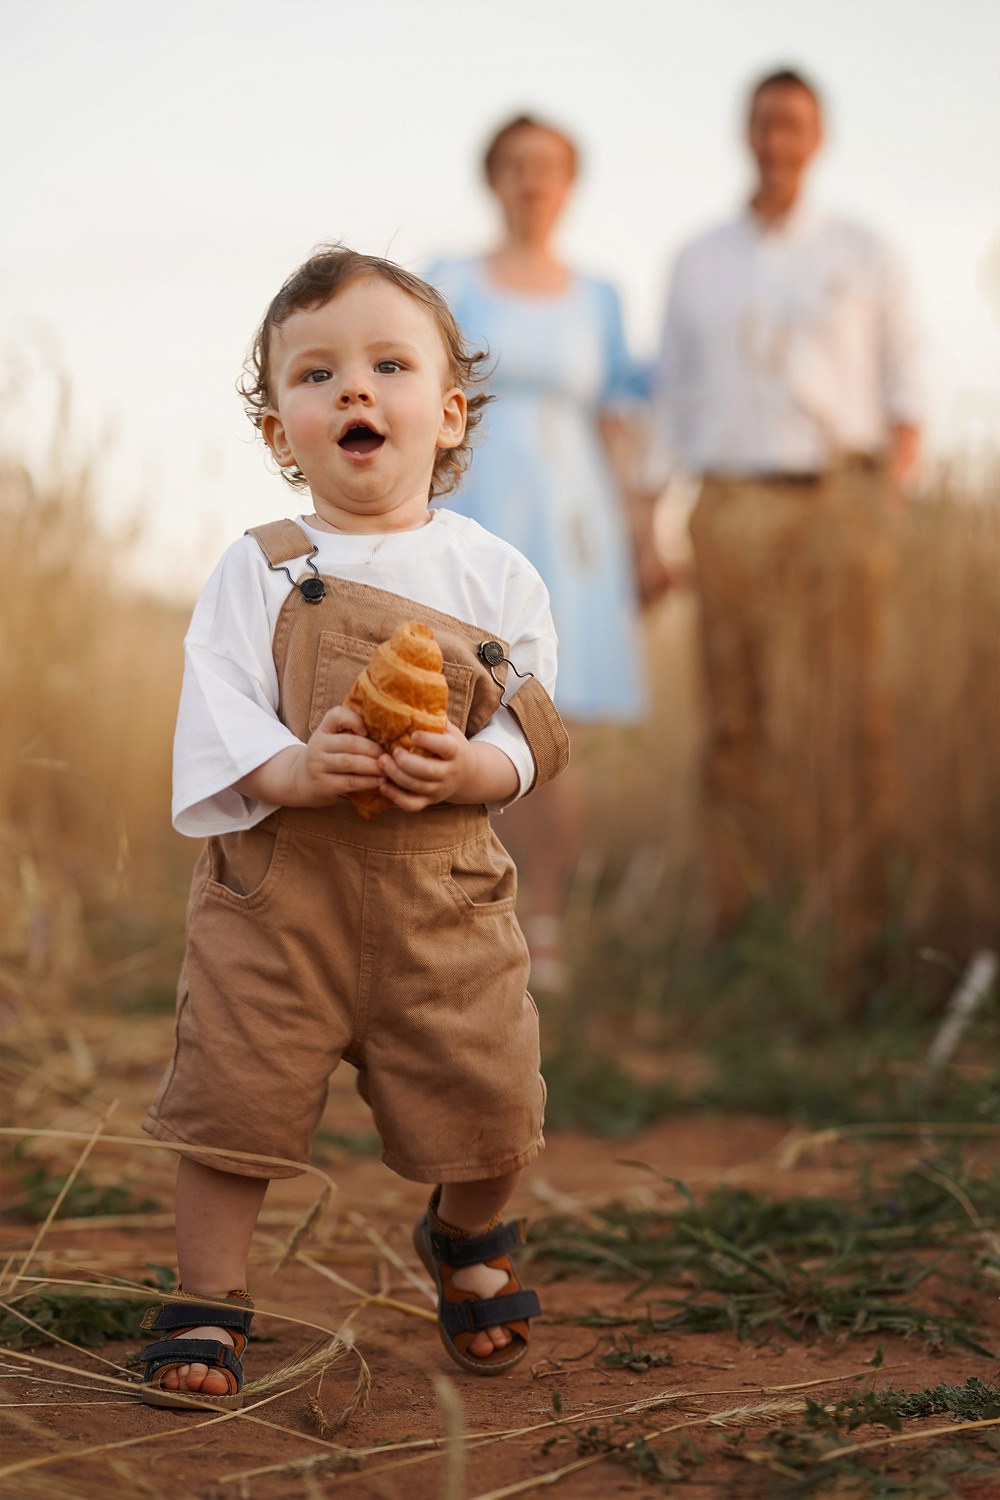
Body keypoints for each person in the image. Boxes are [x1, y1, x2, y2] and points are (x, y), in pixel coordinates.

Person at [137, 247, 569, 1408]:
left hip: (444, 901)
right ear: (283, 429)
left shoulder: (494, 575)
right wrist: (292, 764)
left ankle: (466, 1236)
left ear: (449, 410)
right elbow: (216, 711)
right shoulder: (263, 569)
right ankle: (211, 1296)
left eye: (390, 364)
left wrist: (478, 763)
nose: (356, 391)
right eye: (318, 374)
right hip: (278, 897)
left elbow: (534, 725)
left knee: (493, 1105)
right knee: (234, 1101)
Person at [645, 68, 923, 979]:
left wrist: (887, 502)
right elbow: (672, 397)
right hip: (729, 503)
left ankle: (858, 936)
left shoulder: (862, 249)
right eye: (766, 121)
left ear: (819, 136)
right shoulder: (698, 258)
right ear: (747, 132)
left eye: (795, 123)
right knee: (735, 719)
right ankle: (739, 931)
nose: (779, 138)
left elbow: (905, 385)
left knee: (852, 719)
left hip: (838, 497)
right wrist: (654, 518)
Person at [427, 115, 657, 993]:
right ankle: (462, 918)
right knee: (459, 710)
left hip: (573, 524)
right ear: (495, 178)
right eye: (518, 166)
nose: (534, 182)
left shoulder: (597, 295)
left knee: (555, 727)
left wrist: (642, 531)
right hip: (475, 509)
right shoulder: (451, 280)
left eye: (550, 168)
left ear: (569, 183)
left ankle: (544, 925)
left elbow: (619, 419)